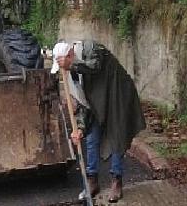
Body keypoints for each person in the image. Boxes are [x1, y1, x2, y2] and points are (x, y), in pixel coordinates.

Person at [56, 40, 146, 203]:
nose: (65, 70)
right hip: (97, 104)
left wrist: (73, 65)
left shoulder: (90, 48)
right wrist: (80, 128)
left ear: (70, 55)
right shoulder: (70, 76)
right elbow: (83, 104)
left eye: (65, 64)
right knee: (91, 137)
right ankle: (92, 181)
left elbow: (94, 66)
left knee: (116, 137)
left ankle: (116, 181)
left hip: (117, 95)